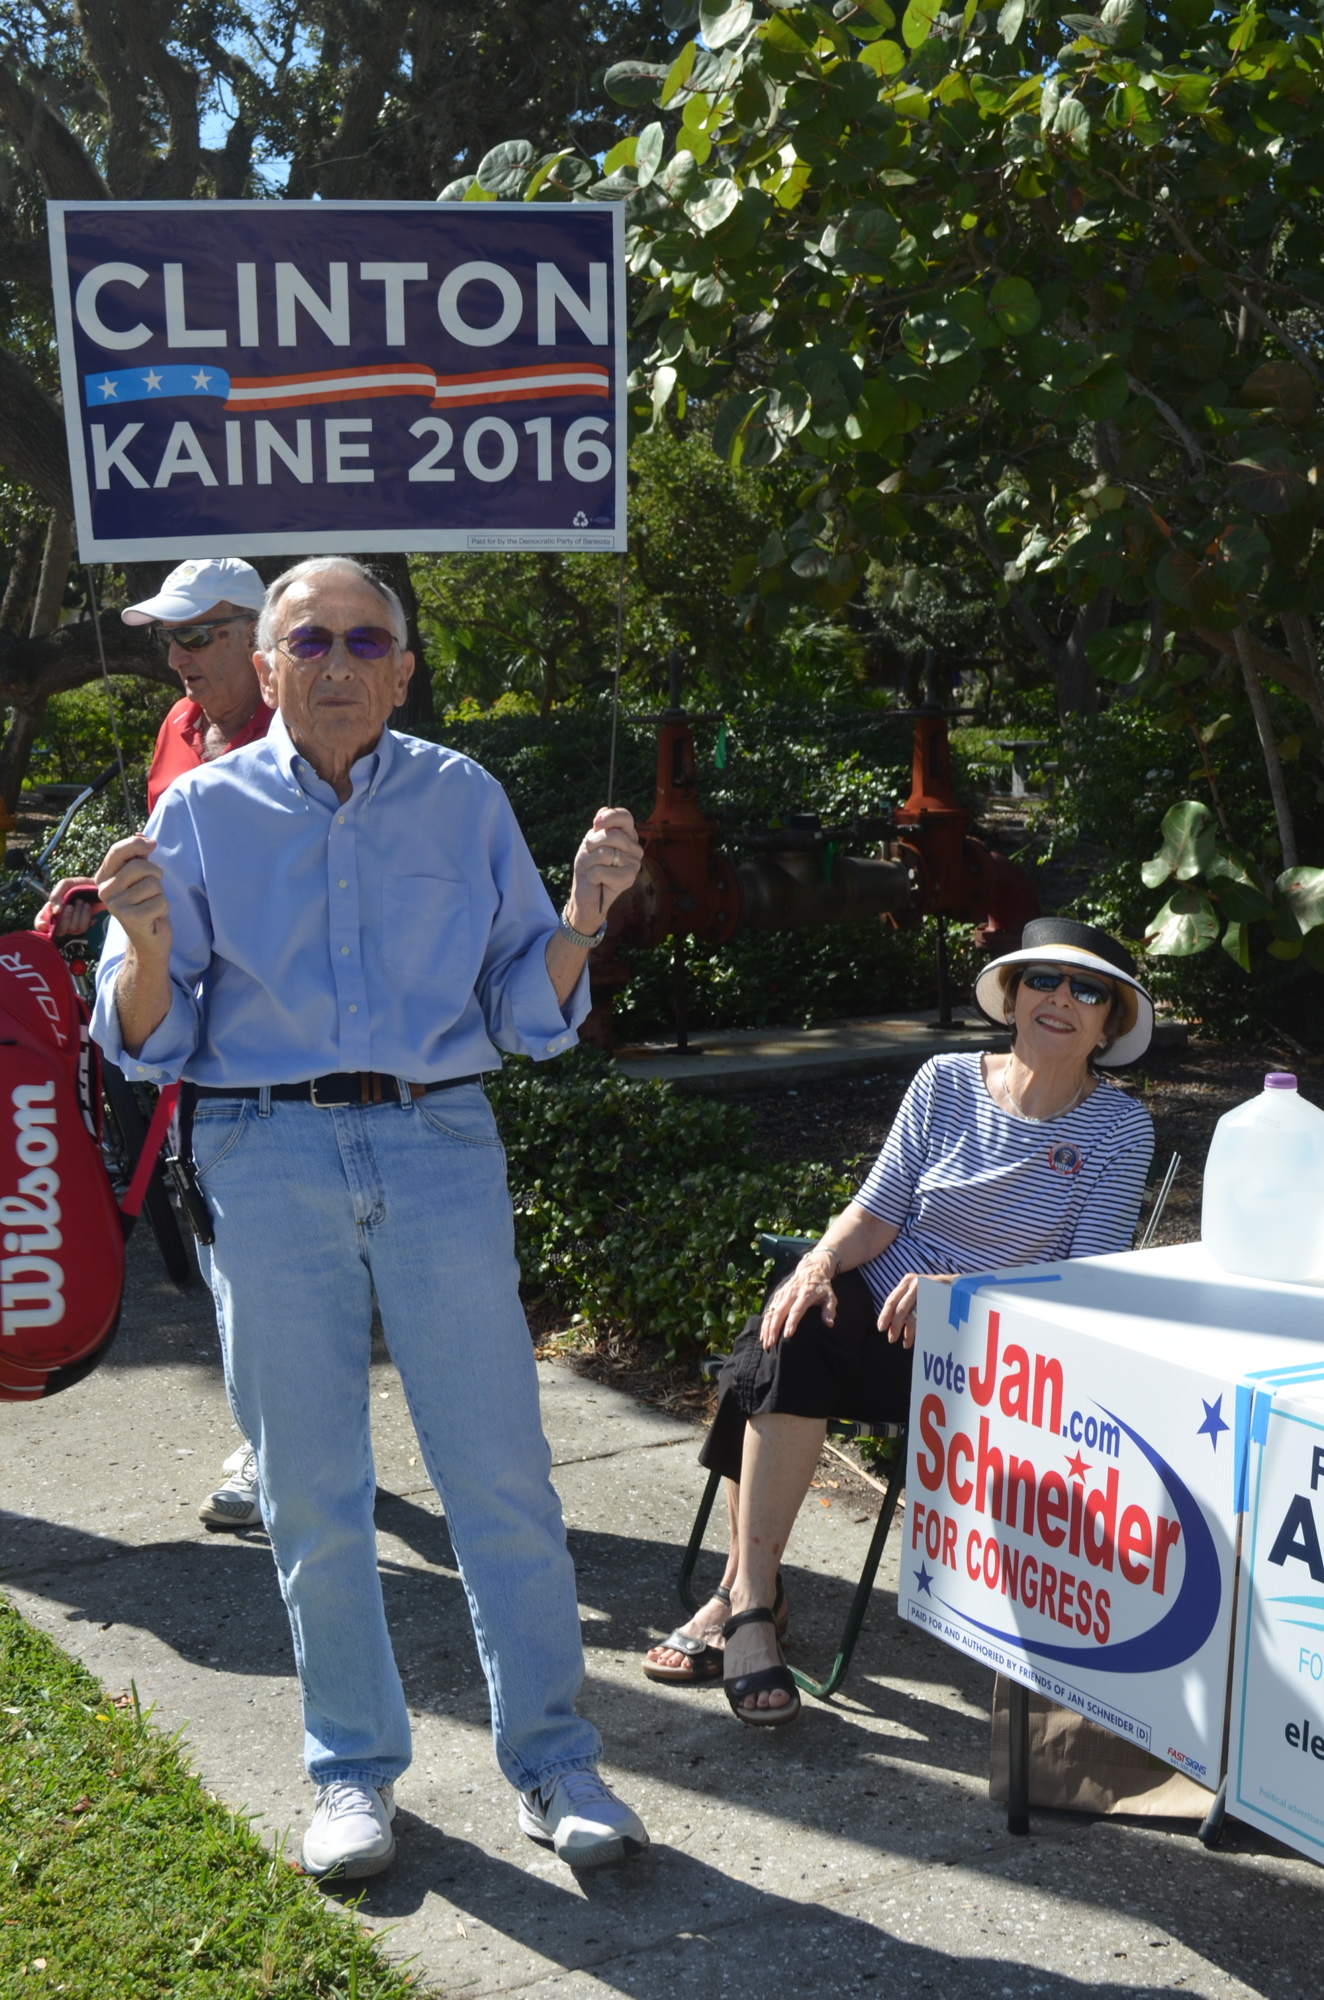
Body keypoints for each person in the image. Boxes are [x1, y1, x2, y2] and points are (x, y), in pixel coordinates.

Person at [89, 555, 649, 1878]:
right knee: (311, 1491)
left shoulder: (465, 799)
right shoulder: (199, 812)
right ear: (266, 668)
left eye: (362, 639)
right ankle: (351, 1772)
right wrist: (152, 950)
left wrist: (581, 915)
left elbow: (524, 1012)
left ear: (400, 669)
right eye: (308, 640)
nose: (336, 661)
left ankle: (557, 1764)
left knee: (500, 1477)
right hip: (265, 1149)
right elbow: (148, 1043)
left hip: (439, 1137)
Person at [643, 916, 1156, 1726]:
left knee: (767, 1355)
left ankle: (741, 1597)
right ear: (1013, 997)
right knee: (795, 1315)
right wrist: (816, 1261)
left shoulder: (1121, 1128)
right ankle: (752, 1603)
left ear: (1109, 1022)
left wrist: (962, 1288)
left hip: (989, 1358)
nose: (1061, 999)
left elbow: (1084, 1284)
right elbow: (876, 1215)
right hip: (870, 1313)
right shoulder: (944, 1080)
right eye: (1043, 981)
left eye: (1087, 990)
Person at [42, 555, 271, 1531]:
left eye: (199, 634)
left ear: (262, 642)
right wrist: (113, 904)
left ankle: (281, 1447)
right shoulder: (182, 726)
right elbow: (170, 864)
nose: (176, 656)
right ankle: (281, 1432)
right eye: (169, 636)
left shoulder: (304, 736)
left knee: (268, 1258)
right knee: (229, 1253)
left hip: (269, 1051)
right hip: (177, 1032)